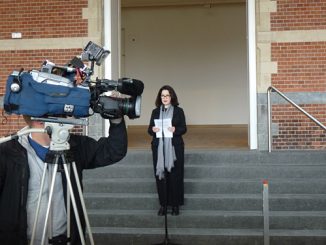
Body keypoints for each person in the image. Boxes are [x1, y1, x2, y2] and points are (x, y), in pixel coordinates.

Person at [0, 114, 127, 245]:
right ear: (36, 119)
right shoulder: (8, 152)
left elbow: (113, 150)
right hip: (20, 239)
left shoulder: (76, 146)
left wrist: (116, 119)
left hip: (65, 238)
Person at [148, 85, 187, 216]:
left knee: (175, 176)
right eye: (162, 96)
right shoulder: (155, 112)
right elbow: (149, 129)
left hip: (175, 148)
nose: (165, 98)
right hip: (159, 148)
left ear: (172, 97)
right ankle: (163, 205)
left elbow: (184, 128)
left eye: (167, 95)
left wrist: (175, 130)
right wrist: (153, 130)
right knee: (161, 177)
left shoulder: (178, 111)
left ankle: (175, 205)